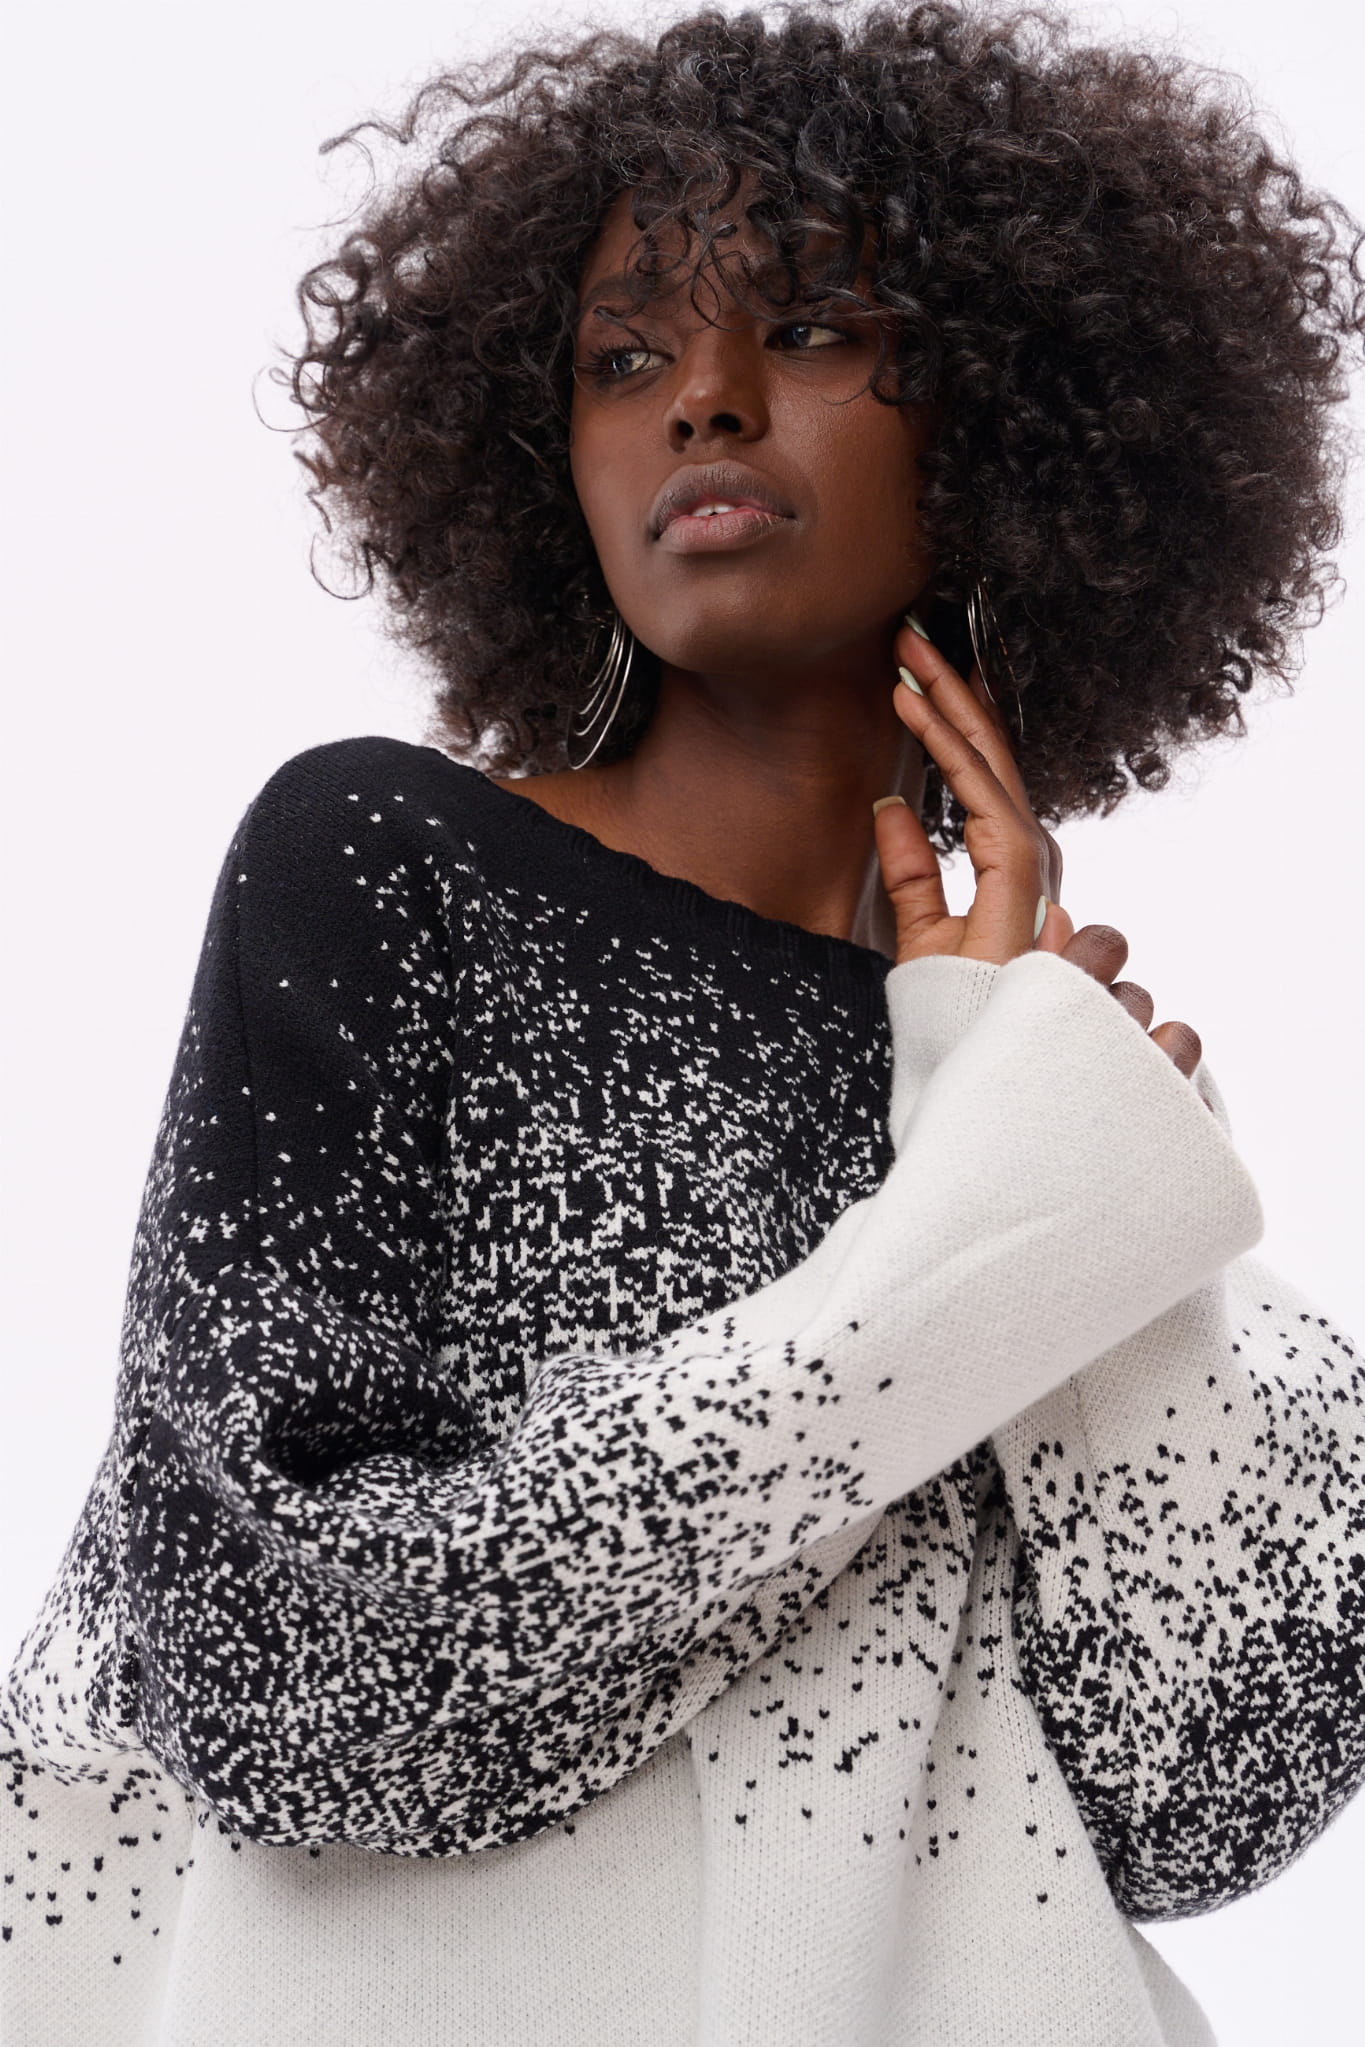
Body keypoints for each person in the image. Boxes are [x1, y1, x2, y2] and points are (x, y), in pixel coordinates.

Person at [3, 4, 1362, 2043]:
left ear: (1007, 416)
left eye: (809, 330)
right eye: (621, 358)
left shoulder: (1055, 1095)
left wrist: (997, 1078)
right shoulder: (389, 866)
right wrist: (994, 1230)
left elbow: (1209, 1793)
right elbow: (291, 1673)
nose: (704, 400)